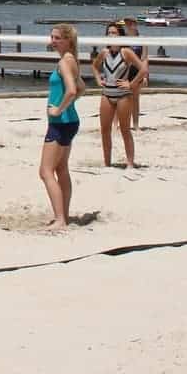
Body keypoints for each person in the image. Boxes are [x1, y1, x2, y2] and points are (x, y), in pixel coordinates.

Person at [40, 24, 83, 228]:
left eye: (57, 37)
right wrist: (67, 105)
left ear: (67, 40)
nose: (53, 40)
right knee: (61, 168)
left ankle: (60, 219)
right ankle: (63, 215)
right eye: (52, 37)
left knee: (46, 171)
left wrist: (58, 109)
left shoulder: (65, 62)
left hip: (61, 122)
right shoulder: (72, 60)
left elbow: (73, 90)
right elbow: (81, 87)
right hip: (70, 121)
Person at [91, 22, 145, 169]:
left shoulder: (126, 52)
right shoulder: (104, 52)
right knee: (105, 129)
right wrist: (98, 79)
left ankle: (130, 162)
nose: (111, 35)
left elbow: (143, 69)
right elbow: (95, 67)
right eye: (109, 33)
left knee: (125, 129)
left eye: (114, 33)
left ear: (120, 35)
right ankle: (107, 163)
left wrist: (132, 84)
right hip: (106, 93)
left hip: (123, 95)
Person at [121, 16, 149, 128]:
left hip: (137, 71)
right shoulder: (123, 39)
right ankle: (122, 123)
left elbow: (145, 58)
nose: (128, 26)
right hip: (125, 71)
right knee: (123, 98)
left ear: (135, 24)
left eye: (130, 23)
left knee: (135, 99)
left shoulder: (142, 39)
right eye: (126, 24)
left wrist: (146, 76)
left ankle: (136, 125)